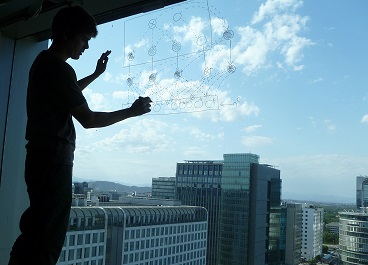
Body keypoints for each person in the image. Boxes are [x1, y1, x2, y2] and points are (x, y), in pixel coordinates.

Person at [8, 5, 151, 265]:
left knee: (36, 229)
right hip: (54, 161)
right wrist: (131, 111)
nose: (85, 47)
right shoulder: (59, 69)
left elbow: (66, 92)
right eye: (84, 39)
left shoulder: (44, 63)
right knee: (48, 237)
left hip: (40, 158)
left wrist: (96, 75)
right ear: (65, 34)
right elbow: (89, 119)